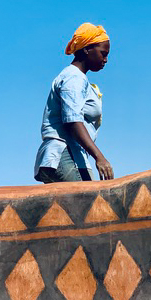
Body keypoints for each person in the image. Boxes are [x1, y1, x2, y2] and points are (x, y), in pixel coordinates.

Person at [34, 23, 114, 183]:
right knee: (89, 205)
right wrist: (100, 157)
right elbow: (72, 121)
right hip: (62, 154)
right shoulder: (73, 78)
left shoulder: (80, 79)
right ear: (86, 49)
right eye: (103, 53)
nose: (105, 60)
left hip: (75, 156)